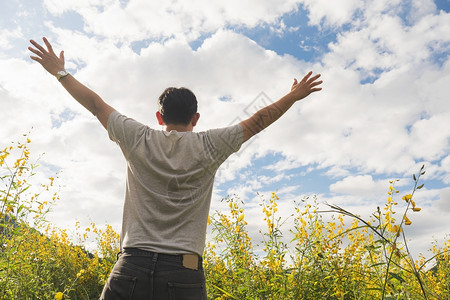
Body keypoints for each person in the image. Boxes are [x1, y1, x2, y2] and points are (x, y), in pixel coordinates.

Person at [28, 37, 322, 300]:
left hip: (131, 265)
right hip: (184, 272)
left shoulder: (137, 137)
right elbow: (258, 120)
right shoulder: (211, 145)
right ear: (195, 118)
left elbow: (95, 104)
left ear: (159, 116)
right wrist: (293, 96)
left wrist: (59, 71)